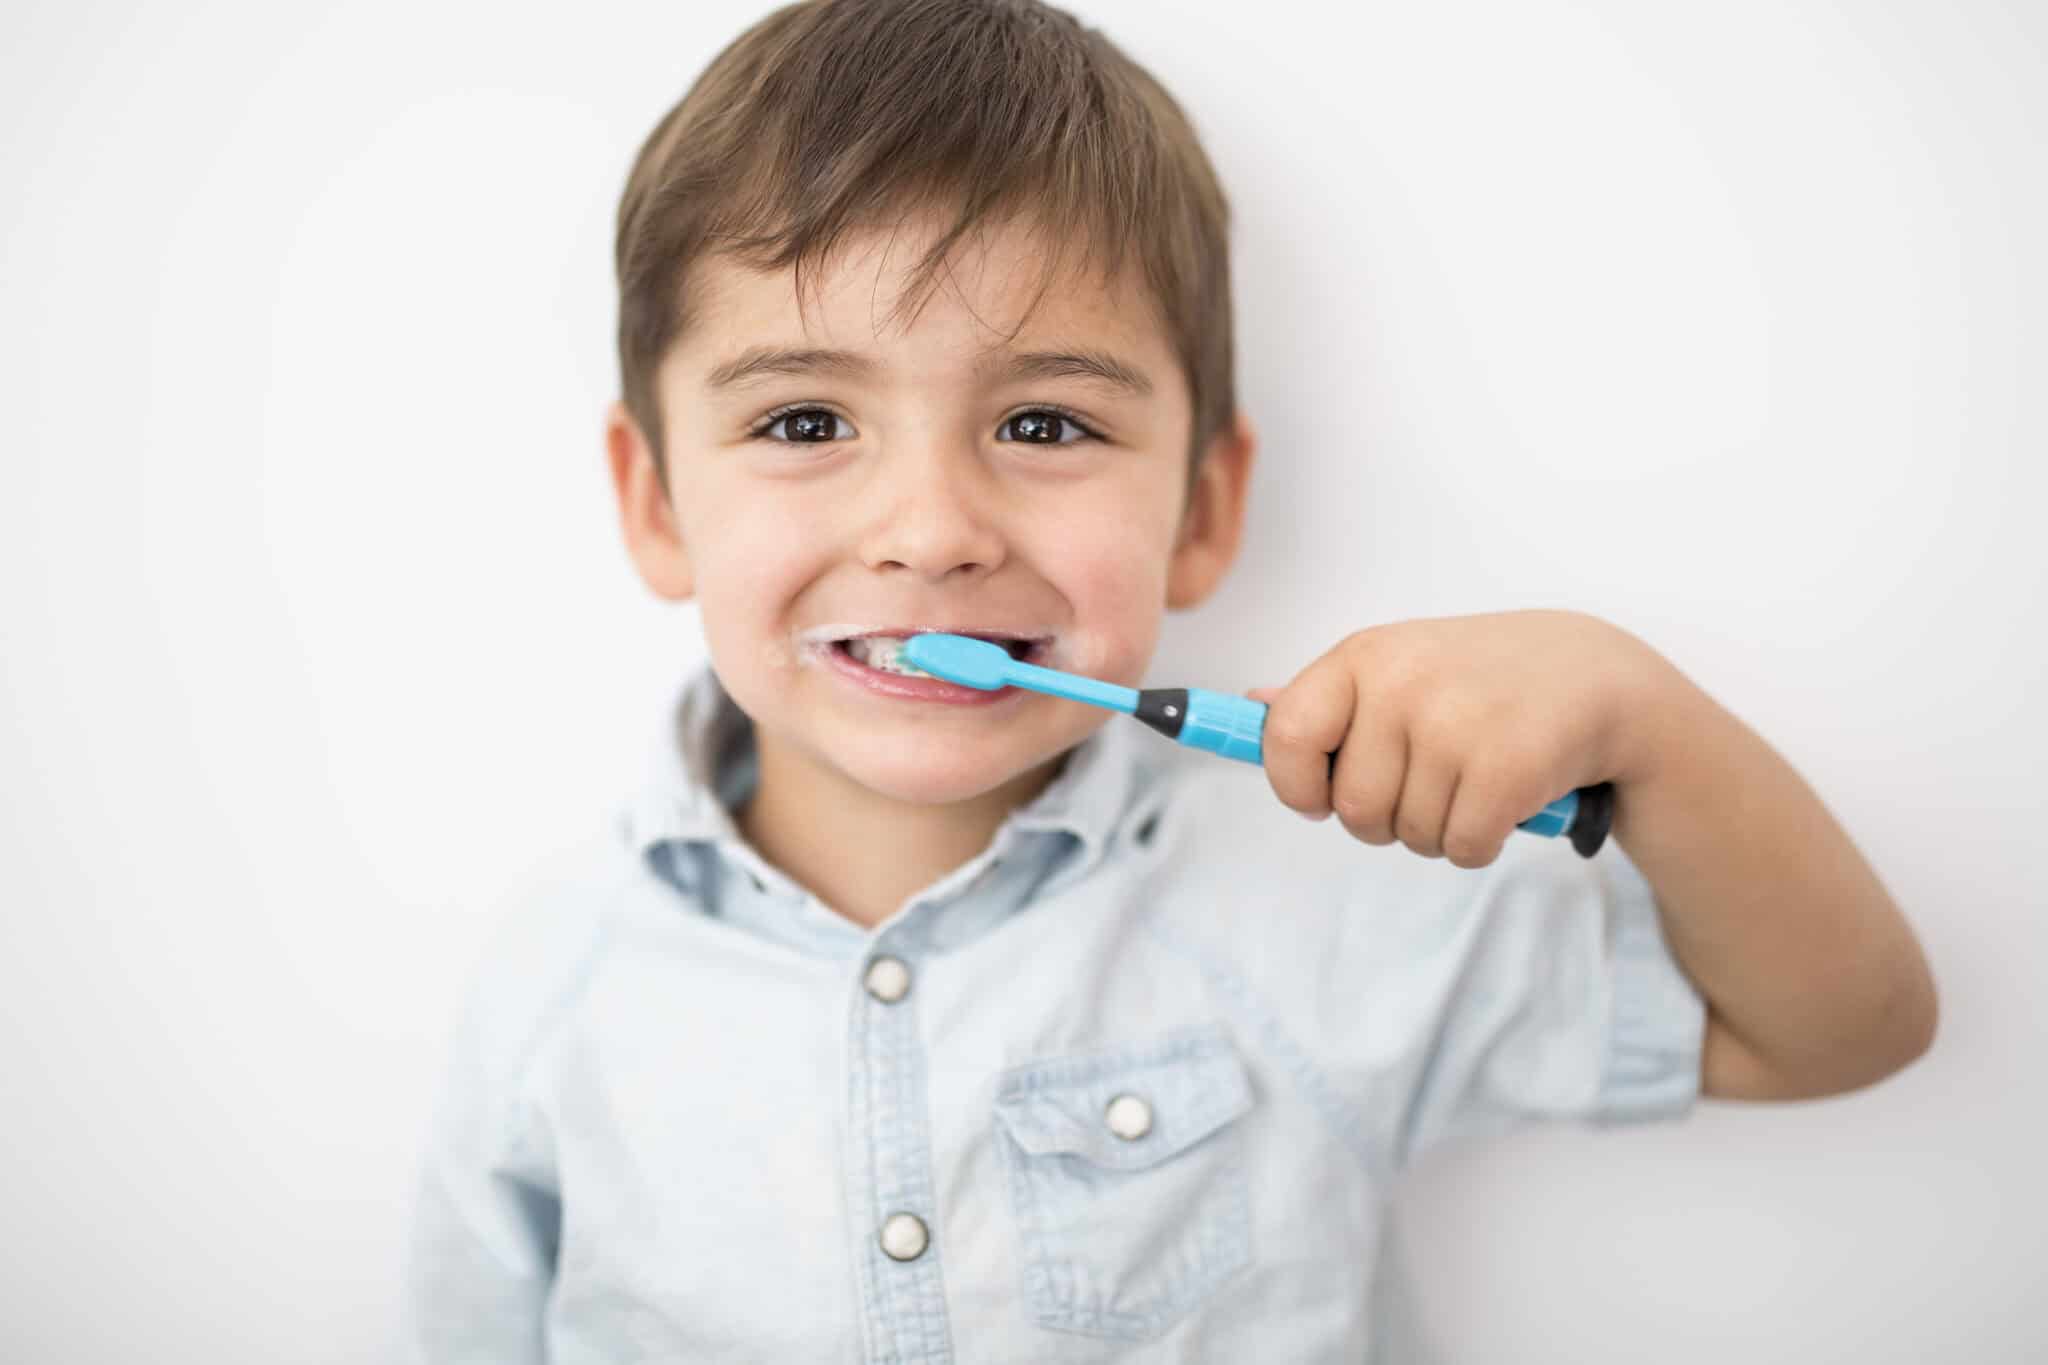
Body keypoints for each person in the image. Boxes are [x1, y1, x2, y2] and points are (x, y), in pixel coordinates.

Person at [403, 1, 1938, 1359]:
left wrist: (1643, 719)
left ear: (1201, 509)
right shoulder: (554, 995)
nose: (931, 531)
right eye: (805, 422)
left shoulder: (1325, 899)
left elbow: (1838, 1027)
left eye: (1047, 424)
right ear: (657, 501)